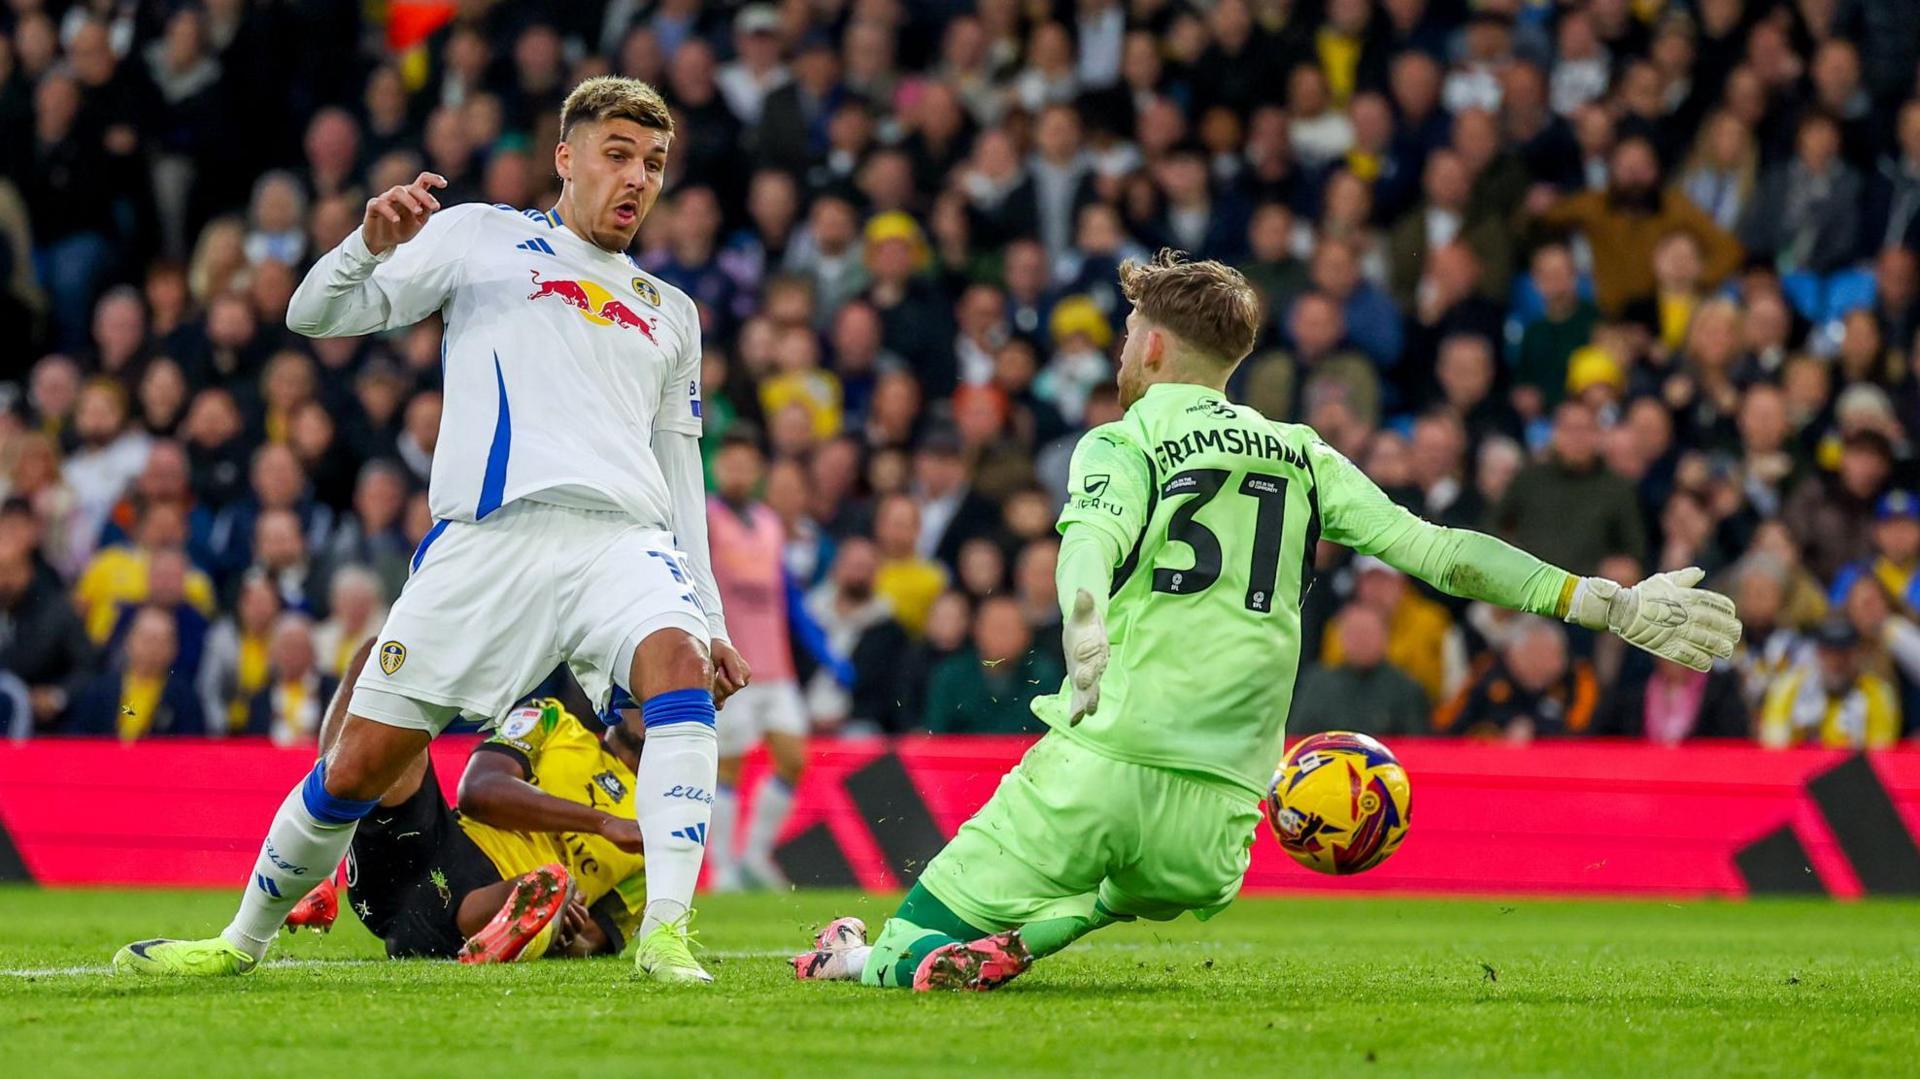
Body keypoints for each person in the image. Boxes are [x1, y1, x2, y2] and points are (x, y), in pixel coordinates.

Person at [793, 251, 1739, 992]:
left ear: (1155, 347)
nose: (1124, 351)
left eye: (1130, 334)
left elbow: (1092, 539)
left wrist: (1083, 620)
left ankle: (856, 952)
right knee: (1132, 888)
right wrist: (1598, 598)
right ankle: (1041, 935)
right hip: (1221, 824)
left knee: (896, 959)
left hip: (1102, 763)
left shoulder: (1126, 438)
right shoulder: (1300, 451)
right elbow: (1438, 550)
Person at [115, 77, 749, 985]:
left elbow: (680, 470)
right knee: (361, 763)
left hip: (622, 541)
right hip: (488, 541)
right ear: (564, 159)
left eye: (652, 163)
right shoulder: (483, 236)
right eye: (616, 154)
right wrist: (367, 243)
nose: (636, 179)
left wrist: (712, 618)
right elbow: (312, 315)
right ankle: (239, 938)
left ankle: (668, 935)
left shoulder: (670, 311)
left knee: (679, 666)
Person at [281, 642, 647, 963]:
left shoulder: (662, 827)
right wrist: (603, 823)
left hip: (483, 901)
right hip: (432, 848)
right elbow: (478, 792)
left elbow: (594, 940)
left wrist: (566, 930)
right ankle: (318, 866)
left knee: (556, 886)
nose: (647, 701)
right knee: (382, 657)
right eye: (640, 688)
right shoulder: (552, 719)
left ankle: (517, 923)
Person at [703, 432, 848, 892]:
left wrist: (825, 653)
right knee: (729, 766)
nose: (739, 473)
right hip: (731, 663)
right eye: (731, 463)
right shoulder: (705, 517)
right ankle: (724, 868)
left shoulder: (768, 522)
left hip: (776, 666)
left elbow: (785, 594)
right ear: (718, 467)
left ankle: (755, 853)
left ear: (758, 471)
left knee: (792, 759)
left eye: (748, 464)